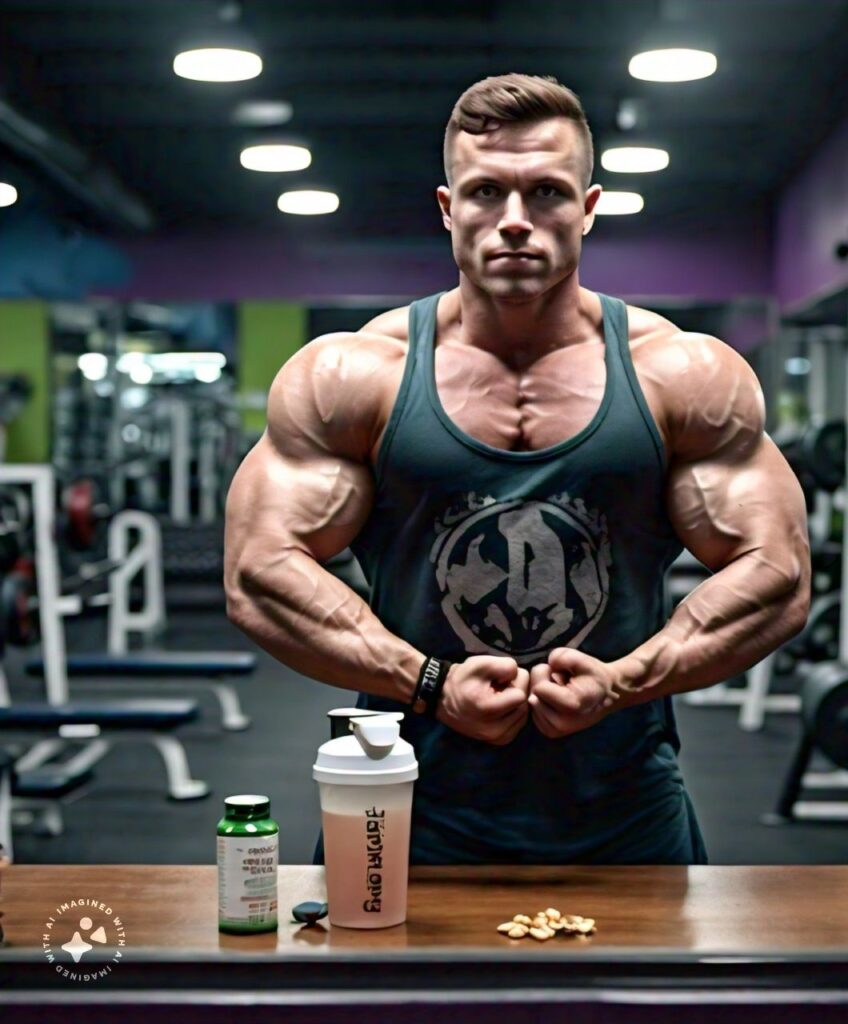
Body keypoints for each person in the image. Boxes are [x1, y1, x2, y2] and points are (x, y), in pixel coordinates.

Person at [224, 73, 810, 865]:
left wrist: (625, 682)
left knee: (657, 995)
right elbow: (259, 573)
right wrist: (428, 682)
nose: (514, 223)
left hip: (623, 800)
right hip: (403, 799)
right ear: (447, 208)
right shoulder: (353, 376)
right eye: (486, 192)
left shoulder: (685, 375)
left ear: (589, 207)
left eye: (546, 194)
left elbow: (776, 574)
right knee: (377, 993)